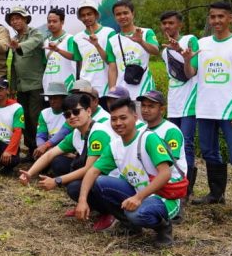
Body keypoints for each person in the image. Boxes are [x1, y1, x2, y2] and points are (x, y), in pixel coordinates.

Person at [73, 97, 186, 247]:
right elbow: (93, 171)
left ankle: (163, 227)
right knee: (100, 182)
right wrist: (82, 200)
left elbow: (165, 174)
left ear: (135, 117)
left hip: (163, 196)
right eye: (113, 119)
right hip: (138, 192)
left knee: (137, 213)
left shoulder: (148, 139)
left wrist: (138, 197)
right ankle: (130, 226)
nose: (118, 123)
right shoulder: (115, 146)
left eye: (123, 118)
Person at [186, 1, 232, 218]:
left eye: (221, 17)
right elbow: (190, 73)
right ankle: (216, 193)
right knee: (209, 151)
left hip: (230, 109)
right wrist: (187, 59)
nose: (216, 21)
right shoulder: (202, 43)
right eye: (212, 17)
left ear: (230, 18)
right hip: (206, 108)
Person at [20, 91, 116, 223]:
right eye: (67, 114)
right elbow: (50, 154)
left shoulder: (98, 132)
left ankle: (109, 213)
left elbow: (89, 168)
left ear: (88, 111)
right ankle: (90, 206)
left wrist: (57, 181)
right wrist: (29, 173)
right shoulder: (76, 133)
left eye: (76, 112)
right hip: (96, 174)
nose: (72, 116)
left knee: (74, 186)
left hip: (112, 179)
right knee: (59, 162)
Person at [159, 9, 198, 197]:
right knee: (170, 144)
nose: (167, 26)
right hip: (173, 103)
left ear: (179, 25)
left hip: (189, 102)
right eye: (164, 23)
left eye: (171, 23)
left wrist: (183, 55)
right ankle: (173, 182)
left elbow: (191, 73)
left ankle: (187, 188)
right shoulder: (164, 51)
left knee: (187, 144)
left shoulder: (190, 40)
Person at [99, 0, 159, 99]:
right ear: (114, 17)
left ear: (133, 13)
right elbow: (112, 69)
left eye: (125, 13)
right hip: (122, 93)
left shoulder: (146, 32)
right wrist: (112, 93)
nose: (122, 17)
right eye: (118, 14)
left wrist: (141, 41)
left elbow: (156, 51)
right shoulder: (112, 40)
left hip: (144, 90)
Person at [138, 91, 186, 210]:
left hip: (170, 179)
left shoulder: (170, 131)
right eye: (143, 105)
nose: (145, 110)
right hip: (150, 175)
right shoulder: (141, 129)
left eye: (151, 106)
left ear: (162, 109)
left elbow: (171, 163)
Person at [6, 6, 44, 151]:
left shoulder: (35, 32)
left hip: (36, 85)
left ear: (25, 19)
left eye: (18, 18)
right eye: (12, 19)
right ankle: (29, 148)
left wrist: (19, 45)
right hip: (21, 87)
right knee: (25, 119)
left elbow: (35, 41)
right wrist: (12, 87)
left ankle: (40, 150)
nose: (15, 21)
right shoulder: (14, 38)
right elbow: (14, 66)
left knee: (35, 119)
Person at [73, 0, 115, 96]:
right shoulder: (77, 38)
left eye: (89, 14)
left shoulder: (109, 33)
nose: (86, 18)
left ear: (96, 14)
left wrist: (97, 45)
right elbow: (79, 64)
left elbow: (111, 60)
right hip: (85, 87)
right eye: (83, 15)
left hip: (105, 86)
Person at [34, 82, 72, 163]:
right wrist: (41, 147)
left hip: (66, 148)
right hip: (48, 147)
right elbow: (40, 135)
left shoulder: (71, 112)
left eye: (55, 98)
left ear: (63, 98)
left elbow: (64, 132)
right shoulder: (44, 113)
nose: (52, 101)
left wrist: (46, 146)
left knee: (58, 163)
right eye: (50, 98)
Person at [43, 8, 80, 91]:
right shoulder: (46, 41)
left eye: (55, 21)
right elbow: (45, 64)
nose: (51, 24)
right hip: (49, 86)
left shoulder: (70, 38)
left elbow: (74, 56)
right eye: (49, 21)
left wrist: (57, 50)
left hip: (66, 84)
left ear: (62, 22)